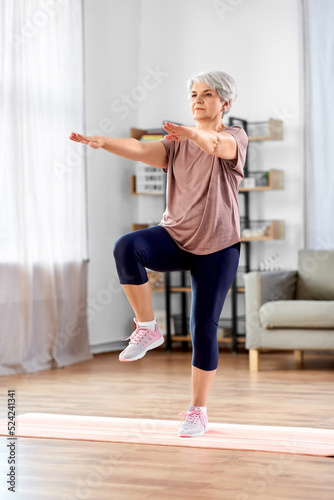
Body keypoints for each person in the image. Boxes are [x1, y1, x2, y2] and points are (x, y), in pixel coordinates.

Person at [69, 70, 248, 438]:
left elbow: (215, 147)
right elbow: (139, 149)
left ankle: (198, 411)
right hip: (177, 237)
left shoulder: (235, 137)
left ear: (225, 103)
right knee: (127, 247)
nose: (197, 100)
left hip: (217, 246)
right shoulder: (177, 143)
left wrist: (193, 132)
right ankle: (148, 328)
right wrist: (104, 142)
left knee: (202, 328)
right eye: (193, 94)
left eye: (208, 94)